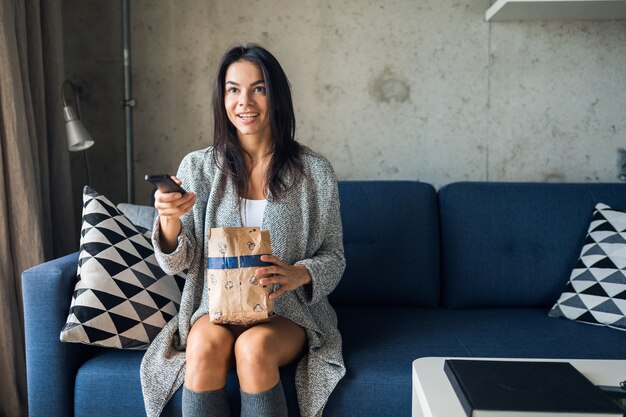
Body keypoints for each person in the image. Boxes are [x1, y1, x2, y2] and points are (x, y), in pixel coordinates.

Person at [140, 43, 346, 417]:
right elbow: (177, 263)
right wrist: (169, 218)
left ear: (277, 96)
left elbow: (335, 257)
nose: (244, 101)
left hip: (286, 313)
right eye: (233, 89)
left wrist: (300, 273)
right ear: (222, 98)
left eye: (259, 88)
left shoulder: (315, 172)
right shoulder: (198, 167)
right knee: (201, 347)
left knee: (253, 348)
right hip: (213, 309)